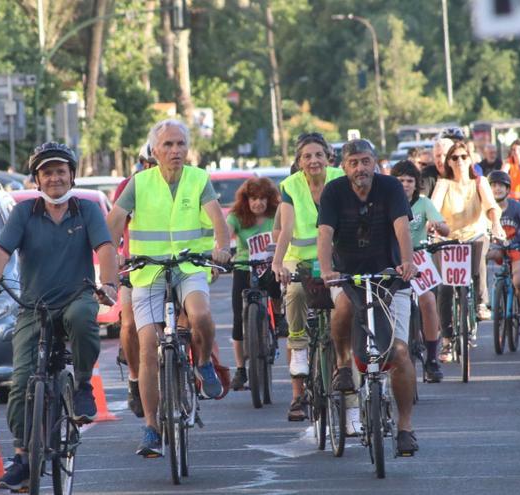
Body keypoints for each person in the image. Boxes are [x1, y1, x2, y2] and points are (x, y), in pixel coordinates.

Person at [0, 142, 118, 491]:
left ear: (72, 176)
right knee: (21, 382)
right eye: (47, 172)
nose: (55, 178)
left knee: (85, 316)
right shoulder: (24, 213)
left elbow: (106, 248)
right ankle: (23, 456)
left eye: (60, 171)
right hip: (33, 306)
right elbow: (0, 251)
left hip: (75, 295)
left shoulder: (87, 211)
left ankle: (82, 385)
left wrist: (109, 284)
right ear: (37, 180)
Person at [106, 119, 230, 458]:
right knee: (148, 348)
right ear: (154, 151)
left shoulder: (198, 179)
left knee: (201, 315)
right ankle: (151, 428)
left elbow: (219, 221)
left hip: (189, 267)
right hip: (149, 272)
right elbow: (115, 222)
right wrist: (113, 257)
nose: (175, 151)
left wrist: (222, 247)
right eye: (168, 145)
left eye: (180, 144)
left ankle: (203, 363)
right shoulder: (138, 183)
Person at [315, 139, 420, 455]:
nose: (360, 168)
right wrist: (324, 269)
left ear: (375, 162)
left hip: (389, 277)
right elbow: (325, 233)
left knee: (399, 353)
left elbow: (401, 227)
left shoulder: (390, 188)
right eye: (354, 163)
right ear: (344, 166)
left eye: (365, 161)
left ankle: (405, 428)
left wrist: (407, 261)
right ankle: (343, 364)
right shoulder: (334, 192)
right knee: (343, 306)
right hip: (348, 276)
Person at [271, 132, 345, 422]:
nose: (313, 161)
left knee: (346, 310)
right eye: (307, 156)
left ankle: (345, 375)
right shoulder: (290, 185)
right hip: (299, 258)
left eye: (318, 155)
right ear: (299, 162)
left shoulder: (341, 177)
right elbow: (286, 229)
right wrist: (278, 263)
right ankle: (298, 386)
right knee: (295, 293)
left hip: (337, 259)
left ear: (328, 157)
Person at [432, 141, 504, 357]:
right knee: (445, 287)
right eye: (455, 158)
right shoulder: (443, 184)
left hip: (475, 234)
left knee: (479, 253)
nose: (460, 161)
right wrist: (432, 223)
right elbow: (434, 207)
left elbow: (492, 207)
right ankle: (446, 339)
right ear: (449, 162)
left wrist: (496, 224)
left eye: (464, 157)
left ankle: (482, 303)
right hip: (449, 239)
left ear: (470, 159)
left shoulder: (479, 182)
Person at [390, 160, 450, 382]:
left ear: (416, 185)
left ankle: (432, 359)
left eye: (409, 181)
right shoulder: (386, 201)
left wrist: (438, 227)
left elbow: (444, 225)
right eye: (400, 181)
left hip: (420, 256)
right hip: (394, 260)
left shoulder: (424, 203)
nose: (405, 185)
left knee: (428, 301)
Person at [113, 141, 157, 419]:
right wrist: (115, 253)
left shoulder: (184, 183)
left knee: (193, 318)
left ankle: (192, 368)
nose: (152, 169)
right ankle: (134, 378)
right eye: (148, 164)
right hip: (135, 267)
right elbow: (115, 224)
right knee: (129, 325)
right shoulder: (130, 186)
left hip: (173, 266)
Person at [227, 177, 283, 391]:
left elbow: (287, 229)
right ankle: (241, 369)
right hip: (244, 267)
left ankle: (277, 318)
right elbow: (225, 230)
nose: (258, 203)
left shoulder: (275, 215)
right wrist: (220, 247)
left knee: (277, 286)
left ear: (269, 200)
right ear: (246, 200)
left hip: (270, 265)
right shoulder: (237, 217)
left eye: (262, 198)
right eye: (253, 198)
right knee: (238, 319)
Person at [487, 170, 520, 329]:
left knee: (518, 281)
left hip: (517, 247)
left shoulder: (516, 207)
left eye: (501, 186)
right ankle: (482, 298)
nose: (497, 189)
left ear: (508, 189)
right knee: (481, 259)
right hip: (497, 247)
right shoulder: (486, 208)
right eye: (494, 186)